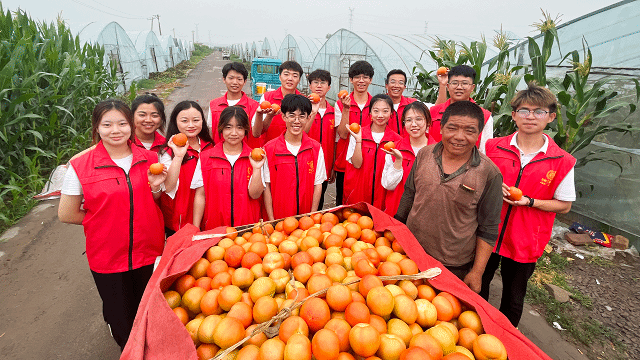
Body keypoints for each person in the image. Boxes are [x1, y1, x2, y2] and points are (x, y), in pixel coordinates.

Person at [58, 99, 166, 351]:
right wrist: (104, 222)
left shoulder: (149, 158)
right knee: (121, 319)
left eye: (121, 123)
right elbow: (67, 213)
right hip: (107, 257)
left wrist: (156, 186)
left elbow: (153, 198)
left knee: (148, 311)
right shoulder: (81, 167)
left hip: (148, 251)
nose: (115, 130)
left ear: (131, 126)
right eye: (107, 124)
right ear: (97, 127)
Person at [480, 84, 576, 327]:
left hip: (526, 238)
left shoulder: (561, 161)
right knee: (477, 283)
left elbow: (564, 205)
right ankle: (474, 332)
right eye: (524, 111)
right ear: (513, 115)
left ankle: (505, 341)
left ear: (551, 117)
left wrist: (529, 202)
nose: (530, 117)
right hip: (487, 232)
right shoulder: (493, 147)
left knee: (513, 298)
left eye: (539, 111)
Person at [394, 101, 503, 292]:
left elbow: (489, 227)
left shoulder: (489, 173)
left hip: (453, 266)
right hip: (410, 252)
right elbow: (409, 195)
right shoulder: (425, 154)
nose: (459, 137)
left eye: (469, 131)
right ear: (442, 128)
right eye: (452, 128)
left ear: (479, 134)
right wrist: (395, 231)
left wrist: (477, 272)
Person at [192, 106, 265, 230]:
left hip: (247, 229)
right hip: (215, 228)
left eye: (239, 127)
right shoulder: (206, 157)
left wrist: (257, 168)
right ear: (221, 128)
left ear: (246, 130)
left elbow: (255, 195)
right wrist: (195, 228)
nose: (234, 133)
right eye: (228, 127)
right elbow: (200, 195)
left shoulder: (255, 157)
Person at [262, 94, 326, 220]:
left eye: (302, 116)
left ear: (308, 118)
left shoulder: (316, 148)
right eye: (292, 115)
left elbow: (318, 184)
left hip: (305, 218)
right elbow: (266, 188)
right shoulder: (269, 149)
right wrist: (271, 220)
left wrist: (311, 216)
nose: (297, 121)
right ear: (283, 117)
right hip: (279, 219)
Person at [160, 101, 213, 236]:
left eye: (196, 120)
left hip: (209, 217)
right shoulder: (167, 152)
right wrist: (178, 156)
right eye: (184, 121)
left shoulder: (211, 147)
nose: (191, 125)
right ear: (175, 122)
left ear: (203, 120)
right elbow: (168, 187)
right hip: (180, 221)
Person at [344, 94, 402, 209]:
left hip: (382, 196)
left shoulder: (397, 140)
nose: (380, 115)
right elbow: (356, 164)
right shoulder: (358, 134)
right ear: (370, 113)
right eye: (376, 111)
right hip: (358, 193)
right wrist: (358, 141)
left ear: (391, 114)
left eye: (385, 111)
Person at [334, 60, 374, 205]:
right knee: (343, 203)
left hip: (369, 162)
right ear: (351, 80)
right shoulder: (340, 103)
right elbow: (343, 134)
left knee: (366, 201)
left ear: (370, 80)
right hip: (345, 161)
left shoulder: (376, 105)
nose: (361, 81)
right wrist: (346, 109)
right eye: (357, 77)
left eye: (365, 77)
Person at [428, 65, 493, 153]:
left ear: (472, 87)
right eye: (454, 83)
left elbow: (484, 150)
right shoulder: (433, 112)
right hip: (434, 163)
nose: (459, 87)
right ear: (448, 86)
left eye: (465, 83)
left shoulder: (485, 116)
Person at [381, 101, 431, 216]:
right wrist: (398, 162)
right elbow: (387, 184)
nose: (413, 124)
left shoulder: (437, 151)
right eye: (408, 120)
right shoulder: (394, 148)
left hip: (423, 215)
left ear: (427, 121)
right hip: (396, 211)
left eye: (419, 119)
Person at [208, 62, 261, 147]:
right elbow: (210, 131)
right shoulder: (214, 105)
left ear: (245, 81)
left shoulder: (254, 106)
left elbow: (257, 133)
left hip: (245, 157)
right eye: (231, 78)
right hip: (219, 156)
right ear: (224, 79)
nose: (235, 82)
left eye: (239, 79)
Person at [304, 69, 336, 210]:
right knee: (303, 198)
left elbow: (336, 141)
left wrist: (333, 165)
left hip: (325, 165)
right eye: (315, 82)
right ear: (310, 86)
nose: (319, 85)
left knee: (319, 199)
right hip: (305, 163)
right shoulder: (302, 109)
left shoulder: (334, 112)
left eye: (323, 83)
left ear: (329, 88)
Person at [385, 69, 447, 138]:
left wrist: (442, 84)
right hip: (386, 146)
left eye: (401, 82)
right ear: (386, 85)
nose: (396, 85)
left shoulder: (412, 103)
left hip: (409, 146)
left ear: (404, 87)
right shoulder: (379, 105)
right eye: (393, 82)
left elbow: (439, 108)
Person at [252, 61, 304, 143]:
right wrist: (269, 116)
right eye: (286, 74)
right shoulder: (267, 98)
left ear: (299, 80)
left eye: (294, 75)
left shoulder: (303, 100)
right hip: (271, 150)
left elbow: (306, 130)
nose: (290, 78)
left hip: (295, 150)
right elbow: (257, 133)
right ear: (280, 77)